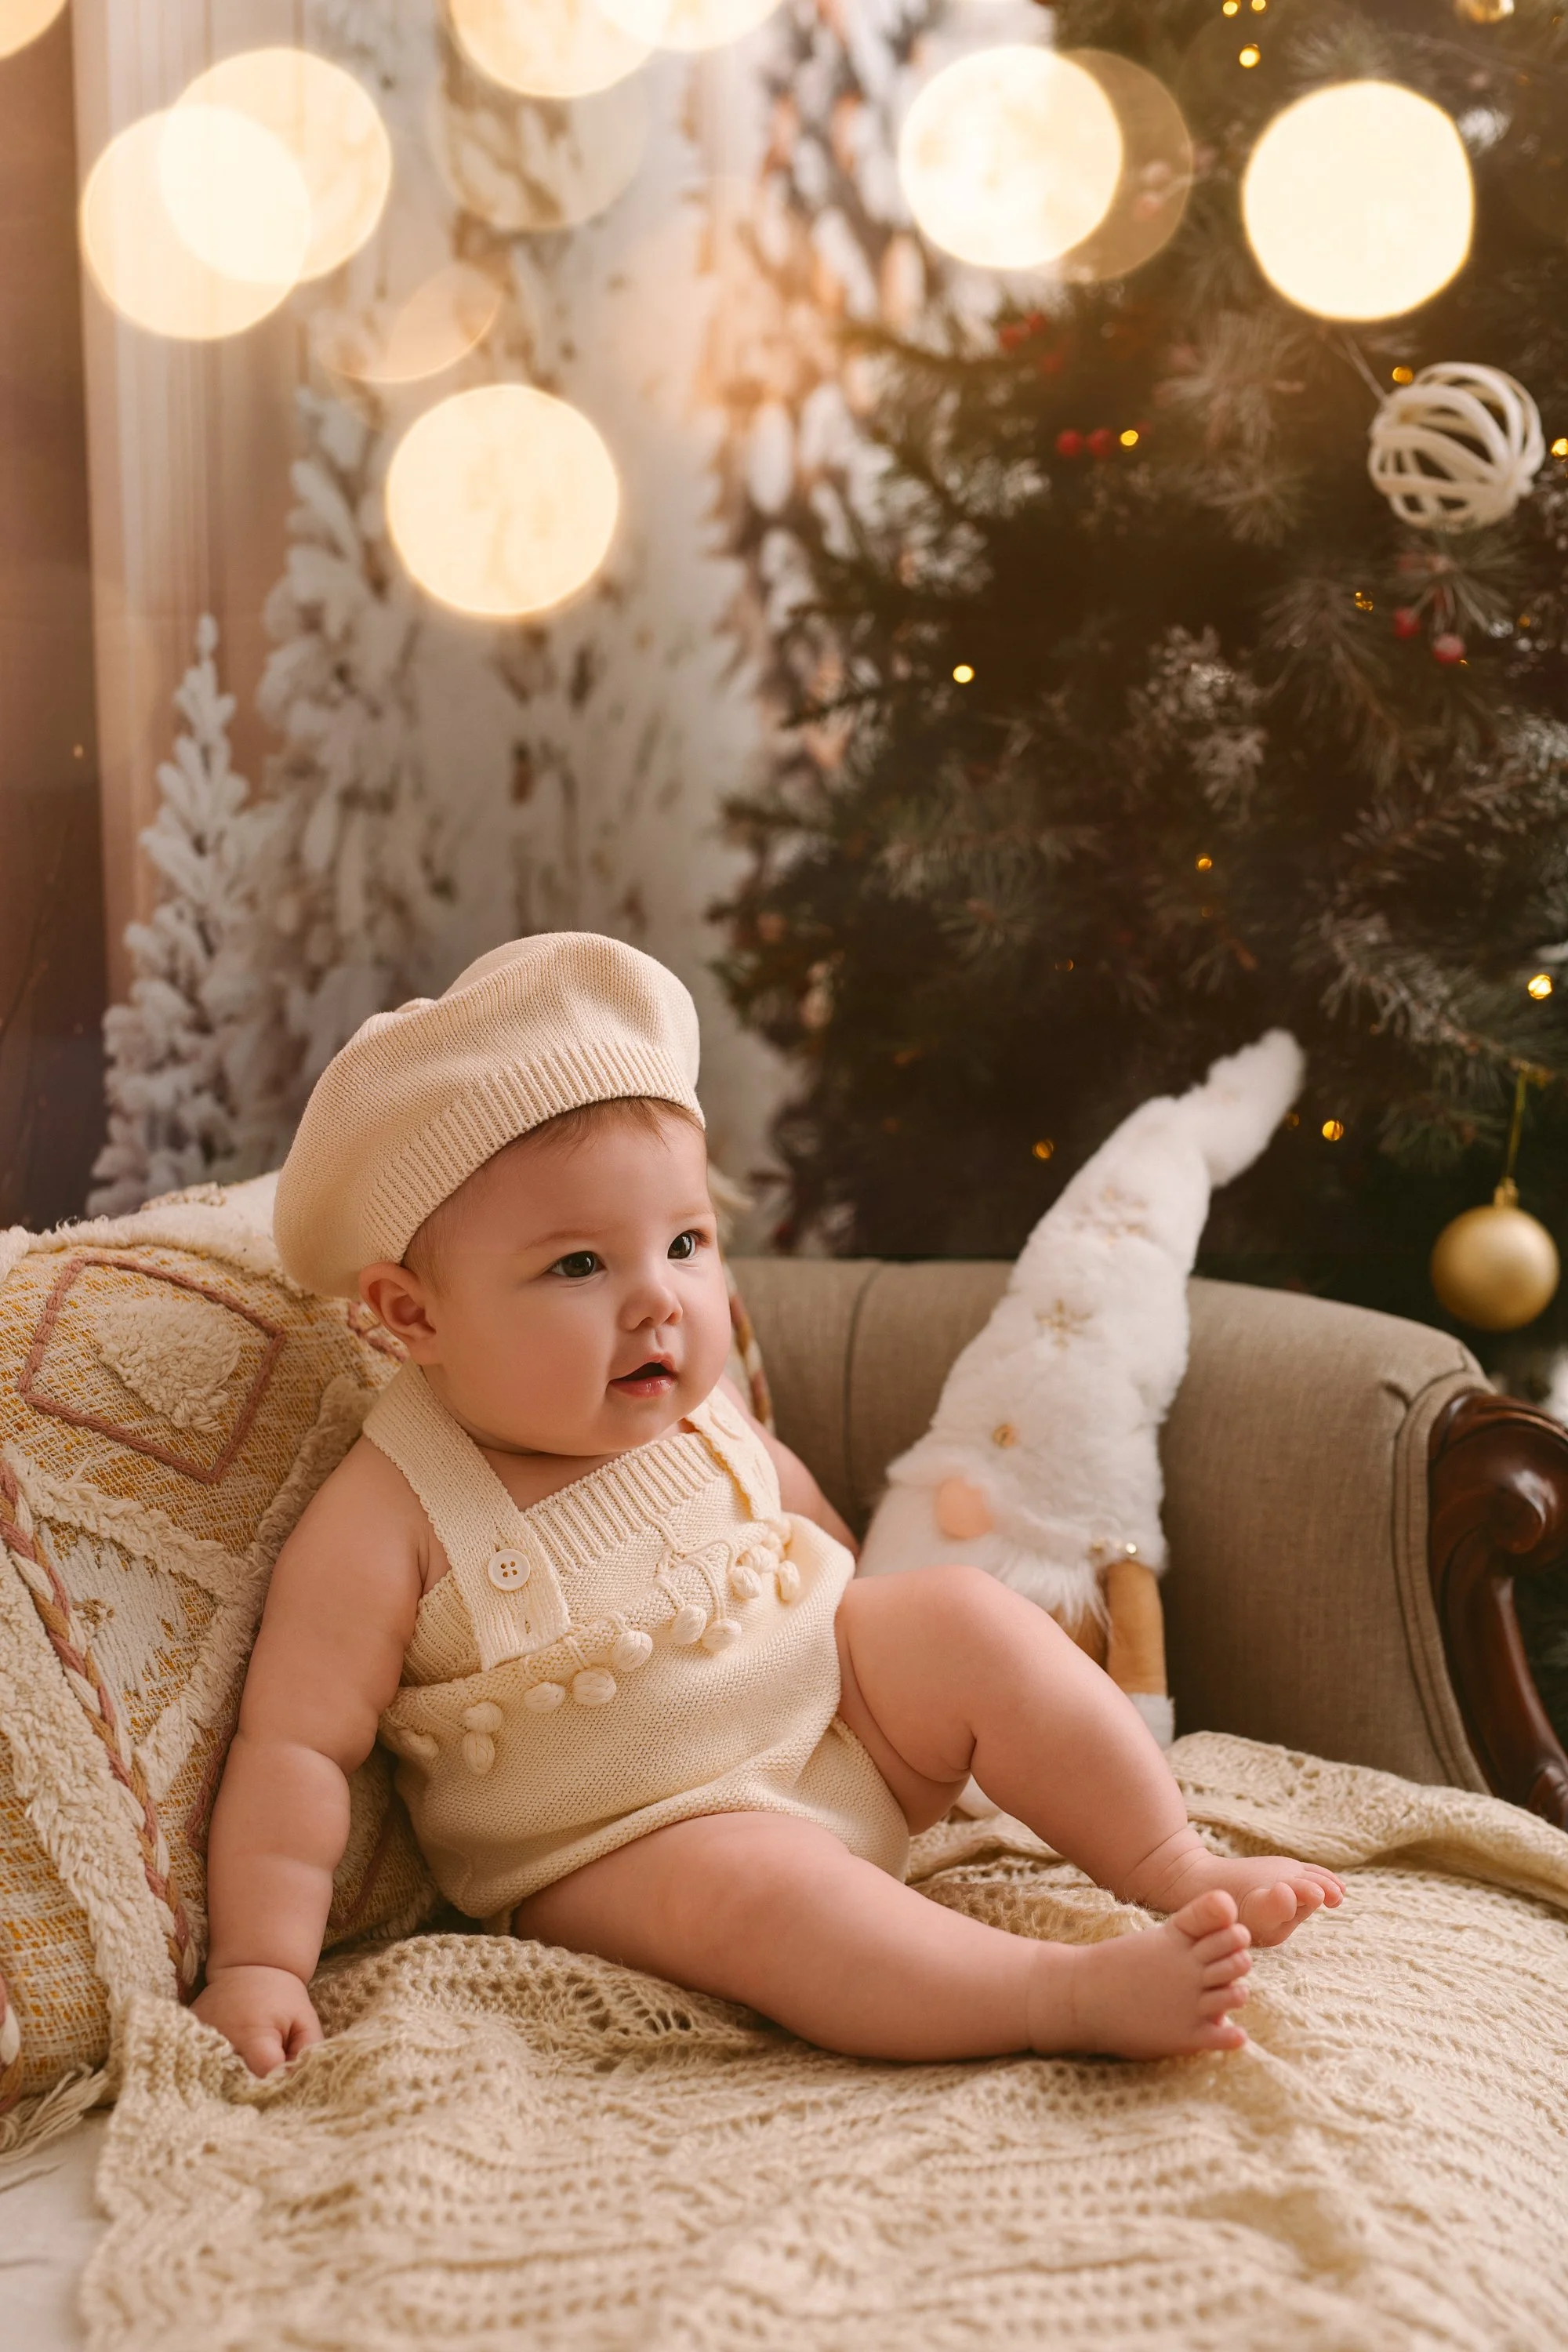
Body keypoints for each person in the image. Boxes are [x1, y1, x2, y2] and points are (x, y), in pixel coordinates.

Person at [194, 933, 1341, 2079]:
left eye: (685, 1243)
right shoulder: (390, 1517)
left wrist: (920, 1671)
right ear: (414, 1314)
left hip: (842, 1733)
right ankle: (1059, 1995)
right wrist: (261, 1964)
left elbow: (825, 1550)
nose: (659, 1303)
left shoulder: (702, 1410)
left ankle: (1175, 1864)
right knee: (762, 1890)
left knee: (963, 1613)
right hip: (634, 1846)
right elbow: (296, 1750)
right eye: (579, 1265)